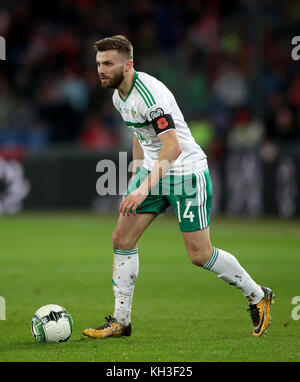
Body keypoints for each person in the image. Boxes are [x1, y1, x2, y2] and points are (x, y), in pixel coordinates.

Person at [82, 35, 274, 339]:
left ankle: (257, 295)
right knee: (122, 238)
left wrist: (143, 188)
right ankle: (121, 321)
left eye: (108, 63)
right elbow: (140, 133)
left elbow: (172, 148)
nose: (100, 70)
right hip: (154, 171)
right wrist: (136, 175)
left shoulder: (150, 95)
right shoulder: (119, 96)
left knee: (200, 254)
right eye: (98, 64)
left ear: (128, 64)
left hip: (186, 172)